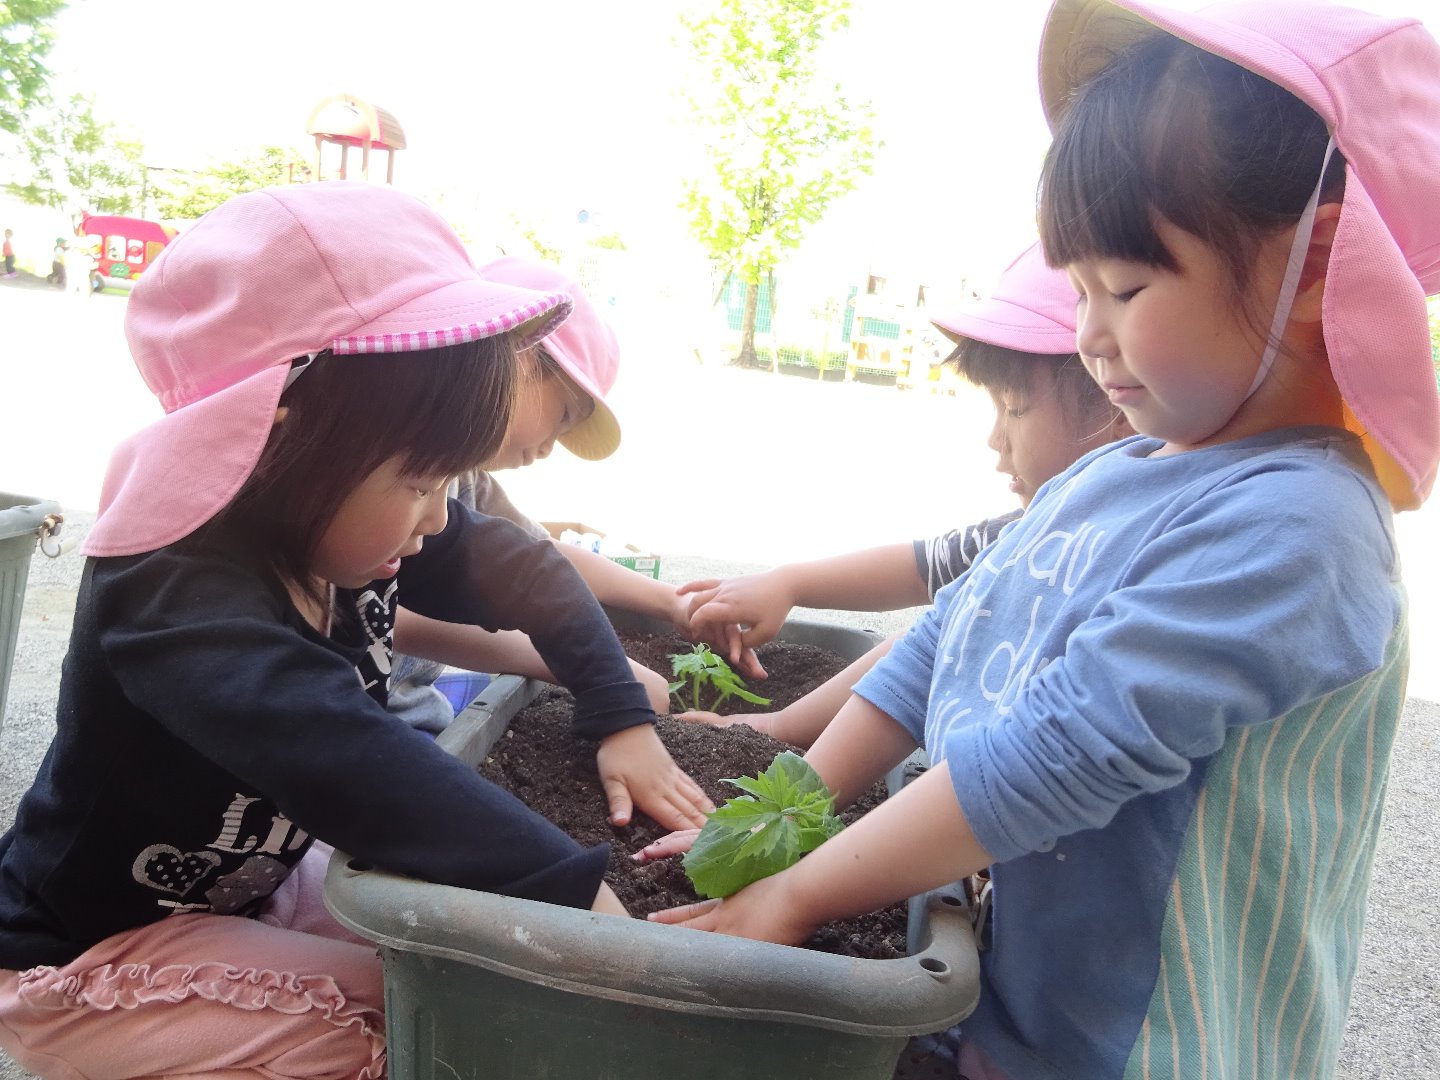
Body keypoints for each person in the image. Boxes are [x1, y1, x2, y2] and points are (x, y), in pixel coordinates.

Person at [646, 3, 1440, 1078]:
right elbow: (942, 647)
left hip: (1141, 1045)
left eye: (1126, 286)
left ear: (1313, 266)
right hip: (1000, 1007)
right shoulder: (1114, 473)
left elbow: (1061, 753)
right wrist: (788, 803)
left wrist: (798, 893)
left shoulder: (1300, 524)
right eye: (1077, 290)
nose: (1089, 335)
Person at [0, 181, 712, 1079]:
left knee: (464, 972)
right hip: (95, 954)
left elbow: (531, 572)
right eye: (422, 485)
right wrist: (579, 904)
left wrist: (620, 716)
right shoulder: (175, 600)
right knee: (420, 1036)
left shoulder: (346, 510)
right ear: (282, 442)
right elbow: (357, 766)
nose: (436, 519)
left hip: (258, 890)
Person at [673, 240, 1129, 748]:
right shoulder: (1027, 534)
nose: (994, 439)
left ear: (1118, 403)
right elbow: (923, 571)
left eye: (1014, 408)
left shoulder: (1143, 561)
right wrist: (790, 584)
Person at [388, 255, 759, 751]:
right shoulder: (394, 472)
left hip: (419, 713)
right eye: (562, 418)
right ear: (512, 358)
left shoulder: (465, 477)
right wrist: (576, 668)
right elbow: (392, 618)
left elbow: (545, 559)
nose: (547, 449)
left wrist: (673, 602)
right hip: (371, 728)